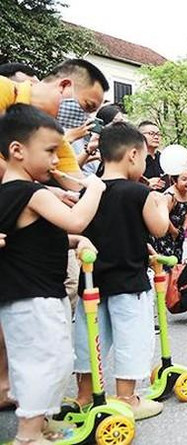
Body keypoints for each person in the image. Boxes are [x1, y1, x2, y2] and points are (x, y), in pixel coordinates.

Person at [0, 104, 104, 445]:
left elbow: (38, 238)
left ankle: (42, 423)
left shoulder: (16, 195)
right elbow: (76, 220)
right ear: (17, 151)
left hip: (37, 294)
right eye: (49, 151)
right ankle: (28, 435)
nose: (56, 160)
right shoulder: (32, 193)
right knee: (42, 363)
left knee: (52, 360)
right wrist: (95, 190)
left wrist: (75, 241)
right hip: (33, 298)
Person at [72, 122, 171, 420]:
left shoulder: (90, 191)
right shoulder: (138, 193)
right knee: (132, 338)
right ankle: (126, 397)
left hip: (93, 281)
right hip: (129, 282)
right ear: (132, 155)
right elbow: (160, 228)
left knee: (90, 338)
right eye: (142, 157)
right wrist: (162, 204)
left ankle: (84, 396)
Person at [0, 59, 109, 187]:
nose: (85, 117)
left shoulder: (53, 136)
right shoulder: (4, 89)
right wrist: (41, 192)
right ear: (64, 86)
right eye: (87, 106)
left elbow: (76, 184)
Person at [150, 169, 187, 262]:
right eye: (184, 179)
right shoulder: (170, 196)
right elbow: (163, 216)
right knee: (167, 263)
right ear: (175, 181)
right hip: (165, 234)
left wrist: (183, 229)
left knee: (177, 260)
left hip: (178, 233)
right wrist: (173, 231)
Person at [138, 121, 169, 191]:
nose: (156, 137)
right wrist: (146, 184)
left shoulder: (164, 158)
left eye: (158, 134)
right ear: (140, 136)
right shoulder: (135, 159)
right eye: (151, 133)